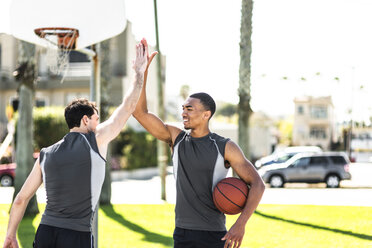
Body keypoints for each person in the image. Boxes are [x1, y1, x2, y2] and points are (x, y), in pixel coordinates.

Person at [3, 39, 149, 248]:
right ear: (85, 120)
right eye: (97, 119)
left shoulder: (46, 154)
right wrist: (138, 74)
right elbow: (128, 108)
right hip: (76, 235)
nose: (99, 124)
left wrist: (10, 235)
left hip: (45, 233)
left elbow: (20, 199)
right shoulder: (96, 140)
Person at [133, 41, 265, 248]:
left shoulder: (224, 146)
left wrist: (241, 224)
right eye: (183, 108)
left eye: (190, 109)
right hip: (183, 232)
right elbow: (139, 113)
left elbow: (258, 183)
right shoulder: (175, 137)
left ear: (206, 115)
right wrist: (142, 73)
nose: (184, 112)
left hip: (214, 234)